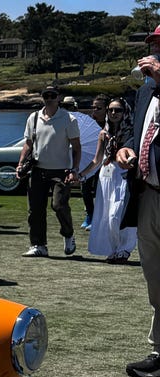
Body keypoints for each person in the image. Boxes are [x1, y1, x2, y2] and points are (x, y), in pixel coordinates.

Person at [116, 24, 160, 377]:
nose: (155, 52)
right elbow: (136, 130)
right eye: (154, 45)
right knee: (155, 276)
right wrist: (125, 147)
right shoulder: (146, 90)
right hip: (148, 193)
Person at [18, 84, 81, 258]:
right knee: (35, 210)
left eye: (53, 95)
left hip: (61, 171)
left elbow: (76, 147)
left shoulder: (68, 119)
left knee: (59, 205)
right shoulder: (34, 117)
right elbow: (28, 144)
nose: (49, 98)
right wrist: (21, 163)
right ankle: (38, 244)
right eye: (46, 95)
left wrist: (74, 169)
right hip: (38, 169)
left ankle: (68, 234)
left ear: (59, 97)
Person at [79, 99, 135, 263]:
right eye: (110, 110)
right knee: (106, 215)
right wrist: (82, 174)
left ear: (125, 112)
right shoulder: (104, 133)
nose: (113, 113)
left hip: (124, 173)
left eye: (117, 110)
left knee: (118, 214)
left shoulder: (131, 132)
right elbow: (97, 160)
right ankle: (114, 248)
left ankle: (125, 248)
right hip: (107, 176)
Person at [81, 94, 112, 229]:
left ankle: (99, 218)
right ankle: (90, 214)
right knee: (85, 189)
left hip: (106, 161)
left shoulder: (111, 125)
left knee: (101, 190)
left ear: (106, 109)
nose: (94, 110)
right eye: (93, 107)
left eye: (98, 108)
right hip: (90, 159)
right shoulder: (87, 123)